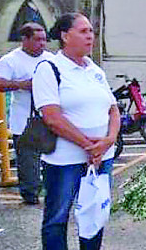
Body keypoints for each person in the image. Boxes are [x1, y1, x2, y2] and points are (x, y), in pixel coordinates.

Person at [33, 13, 120, 250]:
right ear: (64, 36)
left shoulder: (95, 70)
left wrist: (109, 140)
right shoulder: (49, 68)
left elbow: (113, 110)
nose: (90, 36)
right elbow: (52, 118)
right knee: (57, 218)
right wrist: (89, 146)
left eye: (91, 31)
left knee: (94, 215)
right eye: (83, 31)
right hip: (65, 161)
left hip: (102, 157)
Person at [0, 22, 54, 205]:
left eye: (44, 40)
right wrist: (22, 84)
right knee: (28, 161)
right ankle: (31, 194)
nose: (42, 43)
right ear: (24, 40)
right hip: (24, 121)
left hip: (51, 119)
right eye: (37, 39)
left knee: (53, 156)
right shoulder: (11, 60)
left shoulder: (51, 59)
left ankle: (54, 190)